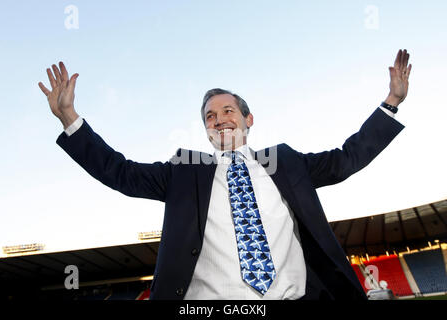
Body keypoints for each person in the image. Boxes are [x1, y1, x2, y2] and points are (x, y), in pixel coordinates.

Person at [38, 49, 412, 300]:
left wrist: (391, 102)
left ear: (248, 119)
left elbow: (346, 158)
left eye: (228, 111)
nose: (220, 120)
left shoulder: (285, 161)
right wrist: (71, 120)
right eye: (210, 116)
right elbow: (119, 172)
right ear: (206, 130)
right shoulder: (186, 172)